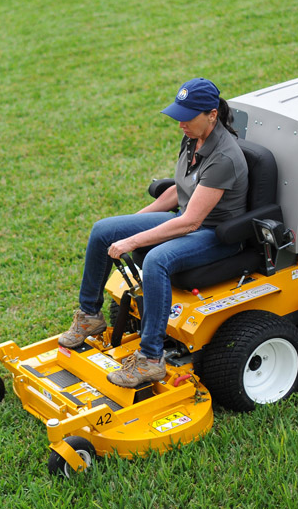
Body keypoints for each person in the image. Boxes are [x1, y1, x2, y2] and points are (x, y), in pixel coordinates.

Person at [59, 78, 249, 388]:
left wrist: (132, 241)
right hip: (187, 217)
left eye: (187, 117)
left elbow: (190, 221)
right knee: (103, 229)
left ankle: (150, 361)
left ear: (212, 114)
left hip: (216, 235)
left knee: (157, 260)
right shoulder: (193, 138)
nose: (180, 124)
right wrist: (129, 224)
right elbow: (179, 190)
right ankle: (89, 316)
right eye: (179, 116)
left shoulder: (224, 157)